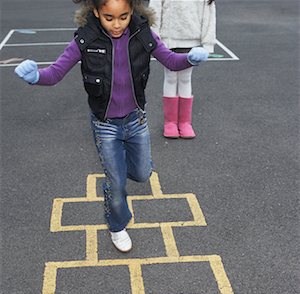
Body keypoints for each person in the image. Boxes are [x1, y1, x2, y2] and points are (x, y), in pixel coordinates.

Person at [14, 0, 208, 252]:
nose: (117, 24)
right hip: (105, 125)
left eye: (123, 17)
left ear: (133, 11)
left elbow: (170, 60)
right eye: (109, 17)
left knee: (141, 174)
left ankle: (120, 165)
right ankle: (117, 225)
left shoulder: (143, 34)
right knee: (116, 182)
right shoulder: (85, 40)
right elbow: (56, 73)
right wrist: (36, 77)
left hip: (136, 120)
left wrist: (189, 59)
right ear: (95, 11)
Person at [149, 0, 216, 138]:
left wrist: (207, 44)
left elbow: (209, 13)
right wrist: (154, 37)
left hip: (192, 40)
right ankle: (170, 123)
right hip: (168, 40)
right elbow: (154, 8)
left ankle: (185, 122)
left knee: (185, 79)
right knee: (171, 78)